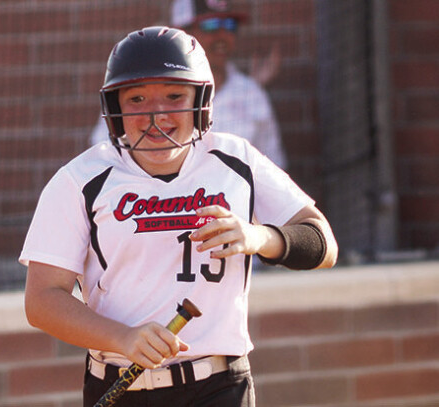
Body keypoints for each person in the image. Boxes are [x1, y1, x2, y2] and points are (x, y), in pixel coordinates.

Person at [21, 26, 337, 407]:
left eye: (174, 96)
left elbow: (323, 243)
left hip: (219, 386)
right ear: (115, 108)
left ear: (201, 100)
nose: (157, 115)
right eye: (137, 98)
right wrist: (122, 336)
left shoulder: (235, 160)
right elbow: (41, 300)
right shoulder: (80, 180)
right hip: (120, 385)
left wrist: (257, 237)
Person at [91, 0, 287, 170]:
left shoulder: (251, 92)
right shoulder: (140, 88)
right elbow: (102, 154)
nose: (222, 35)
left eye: (229, 25)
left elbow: (273, 165)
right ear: (181, 34)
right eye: (210, 25)